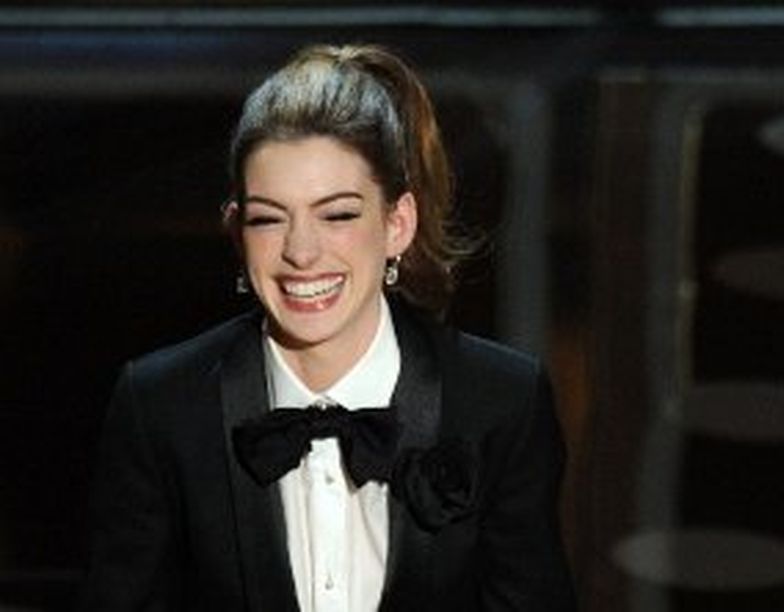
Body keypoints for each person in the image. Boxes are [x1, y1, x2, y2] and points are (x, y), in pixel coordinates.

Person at [80, 45, 575, 611]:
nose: (301, 251)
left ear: (397, 223)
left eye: (337, 214)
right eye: (269, 219)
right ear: (237, 232)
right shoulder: (161, 406)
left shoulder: (503, 401)